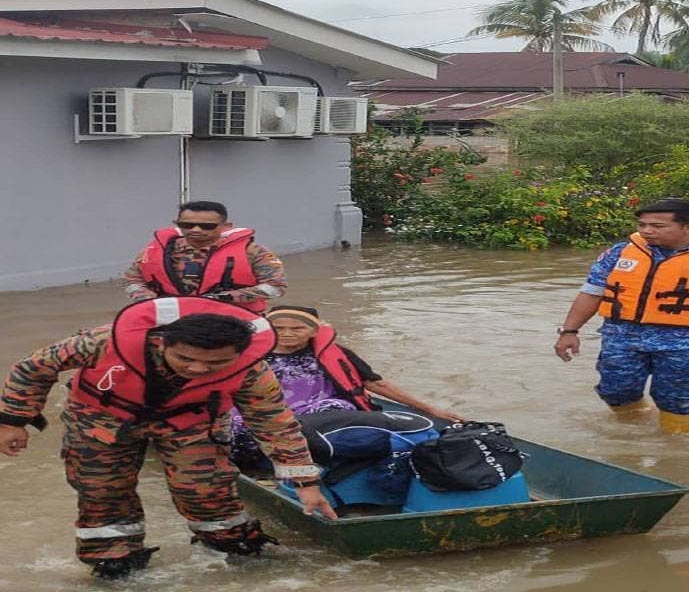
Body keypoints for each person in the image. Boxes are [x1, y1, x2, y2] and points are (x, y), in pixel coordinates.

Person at [0, 297, 337, 579]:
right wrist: (14, 421)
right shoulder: (103, 342)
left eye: (215, 363)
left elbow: (275, 424)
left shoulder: (251, 371)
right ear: (162, 342)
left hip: (190, 421)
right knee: (101, 491)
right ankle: (114, 563)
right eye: (185, 358)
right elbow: (32, 368)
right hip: (101, 417)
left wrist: (305, 482)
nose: (198, 369)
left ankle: (238, 550)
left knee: (205, 489)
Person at [553, 198, 689, 434]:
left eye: (657, 226)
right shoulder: (621, 251)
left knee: (675, 396)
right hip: (622, 335)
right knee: (614, 390)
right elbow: (592, 292)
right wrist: (569, 331)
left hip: (686, 340)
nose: (646, 231)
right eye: (642, 225)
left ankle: (679, 449)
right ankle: (633, 432)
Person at [230, 305, 462, 472]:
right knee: (236, 429)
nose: (287, 333)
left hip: (320, 410)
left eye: (297, 328)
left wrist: (430, 409)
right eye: (279, 328)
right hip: (265, 412)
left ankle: (324, 459)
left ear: (314, 331)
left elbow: (375, 383)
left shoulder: (335, 353)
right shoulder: (249, 354)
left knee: (340, 409)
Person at [123, 200, 286, 312]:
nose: (196, 230)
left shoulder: (253, 251)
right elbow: (132, 279)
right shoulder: (156, 250)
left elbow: (276, 287)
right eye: (187, 225)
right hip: (170, 315)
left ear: (226, 226)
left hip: (233, 317)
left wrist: (222, 298)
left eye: (207, 226)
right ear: (177, 224)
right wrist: (145, 298)